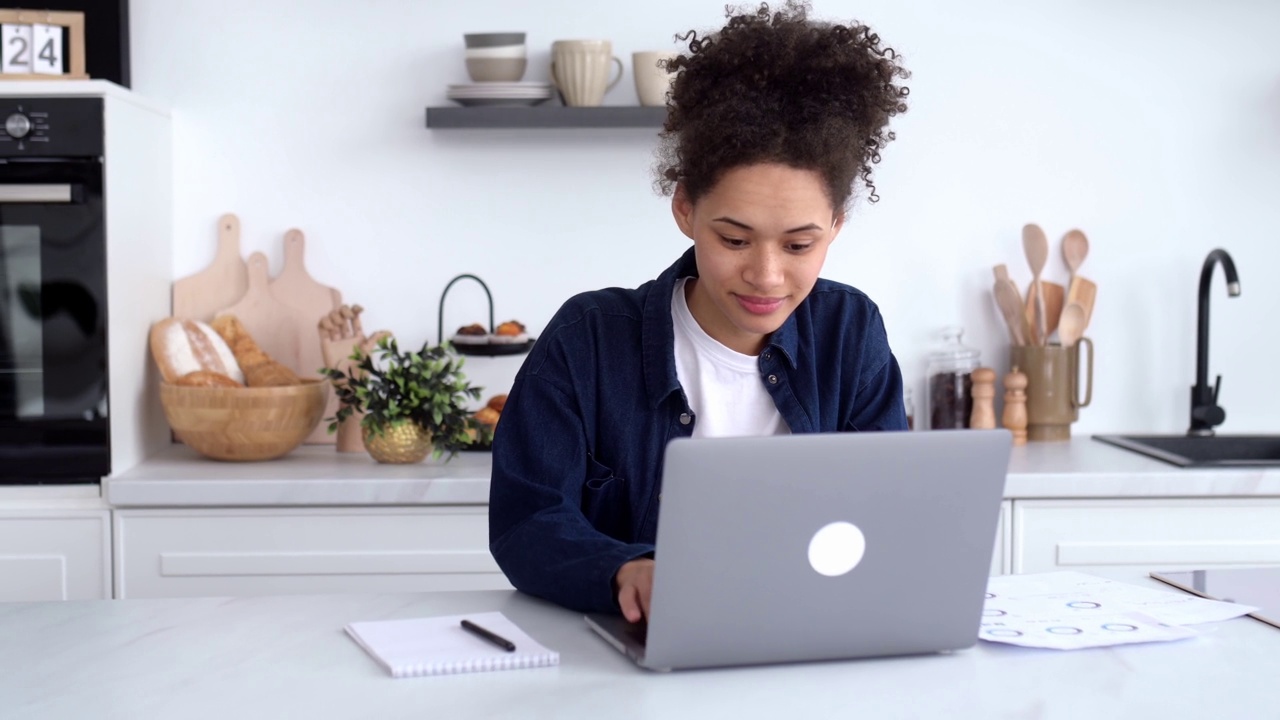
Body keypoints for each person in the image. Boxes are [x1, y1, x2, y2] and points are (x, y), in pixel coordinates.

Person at [488, 0, 912, 622]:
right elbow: (527, 523)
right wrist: (624, 571)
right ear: (684, 208)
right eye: (734, 240)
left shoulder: (850, 331)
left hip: (810, 640)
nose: (766, 276)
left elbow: (886, 513)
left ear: (836, 225)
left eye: (800, 245)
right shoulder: (589, 338)